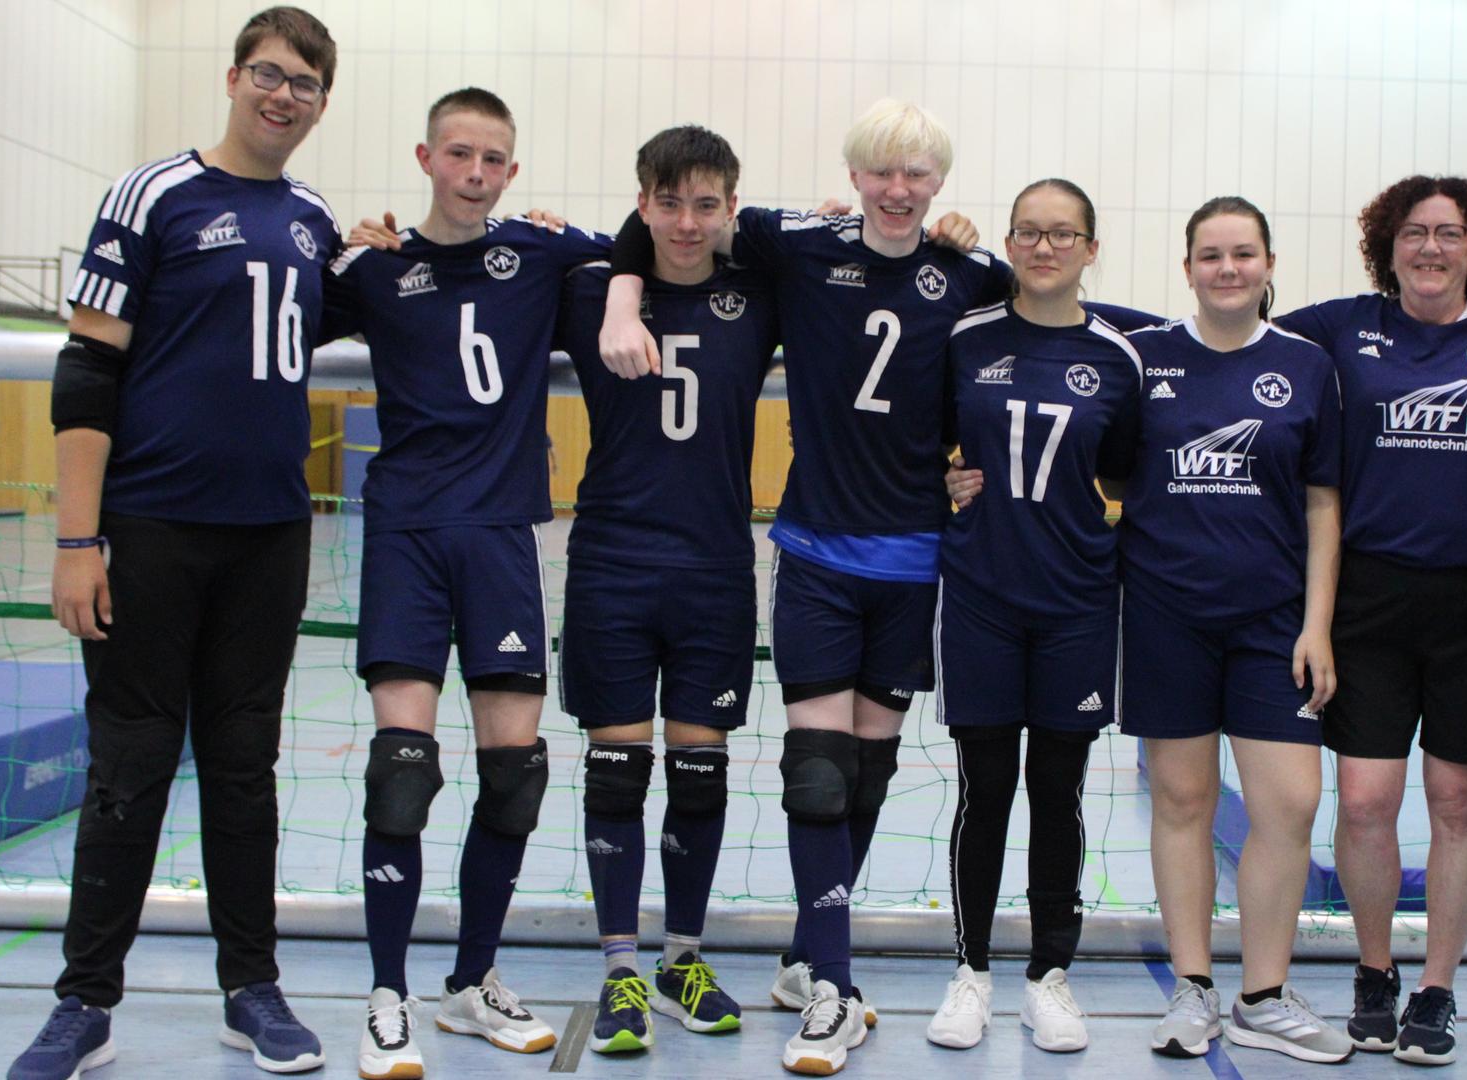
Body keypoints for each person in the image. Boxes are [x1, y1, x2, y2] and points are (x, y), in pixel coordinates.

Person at [597, 99, 1007, 1076]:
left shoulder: (971, 274)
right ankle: (835, 982)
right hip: (818, 552)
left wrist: (972, 461)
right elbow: (653, 214)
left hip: (915, 562)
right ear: (856, 175)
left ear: (939, 182)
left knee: (869, 772)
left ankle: (802, 959)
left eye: (918, 176)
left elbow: (1038, 331)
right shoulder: (798, 243)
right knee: (815, 770)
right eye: (882, 173)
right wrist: (618, 298)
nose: (900, 191)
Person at [14, 9, 340, 1079]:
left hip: (269, 537)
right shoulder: (152, 195)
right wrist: (77, 538)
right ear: (235, 76)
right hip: (149, 531)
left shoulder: (309, 217)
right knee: (132, 762)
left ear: (321, 103)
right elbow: (87, 369)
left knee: (245, 767)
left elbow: (325, 314)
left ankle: (253, 988)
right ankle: (84, 1002)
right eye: (268, 75)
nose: (282, 96)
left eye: (304, 84)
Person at [323, 88, 609, 1078]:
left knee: (514, 775)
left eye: (494, 159)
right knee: (402, 771)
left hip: (500, 535)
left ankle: (471, 980)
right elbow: (289, 306)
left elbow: (646, 253)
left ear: (513, 173)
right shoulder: (375, 267)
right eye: (459, 154)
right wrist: (344, 245)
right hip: (407, 531)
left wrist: (573, 237)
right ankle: (387, 996)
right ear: (425, 157)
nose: (476, 172)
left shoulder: (542, 253)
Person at [1272, 175, 1467, 1065]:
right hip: (1366, 599)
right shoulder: (1341, 328)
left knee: (1456, 798)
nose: (1431, 249)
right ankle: (1375, 973)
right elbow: (1219, 332)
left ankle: (1438, 989)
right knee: (1367, 799)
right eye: (1414, 232)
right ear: (1388, 245)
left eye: (1450, 234)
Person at [554, 124, 778, 1055]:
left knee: (698, 768)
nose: (687, 222)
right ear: (641, 203)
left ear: (730, 205)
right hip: (611, 559)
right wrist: (618, 283)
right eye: (668, 202)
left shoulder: (761, 294)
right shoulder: (584, 291)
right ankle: (619, 971)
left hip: (716, 564)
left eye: (707, 204)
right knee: (615, 767)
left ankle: (682, 954)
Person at [1118, 198, 1349, 1064]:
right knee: (1183, 802)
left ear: (1267, 263)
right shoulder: (1145, 361)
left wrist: (1317, 625)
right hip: (1166, 615)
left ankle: (1263, 993)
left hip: (1273, 623)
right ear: (1186, 269)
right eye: (1210, 255)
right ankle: (1192, 989)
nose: (1227, 268)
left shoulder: (1306, 366)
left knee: (1290, 803)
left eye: (1242, 254)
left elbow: (1325, 504)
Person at [920, 179, 1140, 1055]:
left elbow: (1123, 473)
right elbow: (929, 443)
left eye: (1063, 234)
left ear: (1091, 248)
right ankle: (970, 970)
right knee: (985, 788)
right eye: (1028, 232)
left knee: (1059, 791)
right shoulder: (965, 339)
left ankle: (1049, 975)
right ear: (1009, 244)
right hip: (980, 594)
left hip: (1079, 601)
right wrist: (945, 479)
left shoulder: (1118, 357)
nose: (1044, 247)